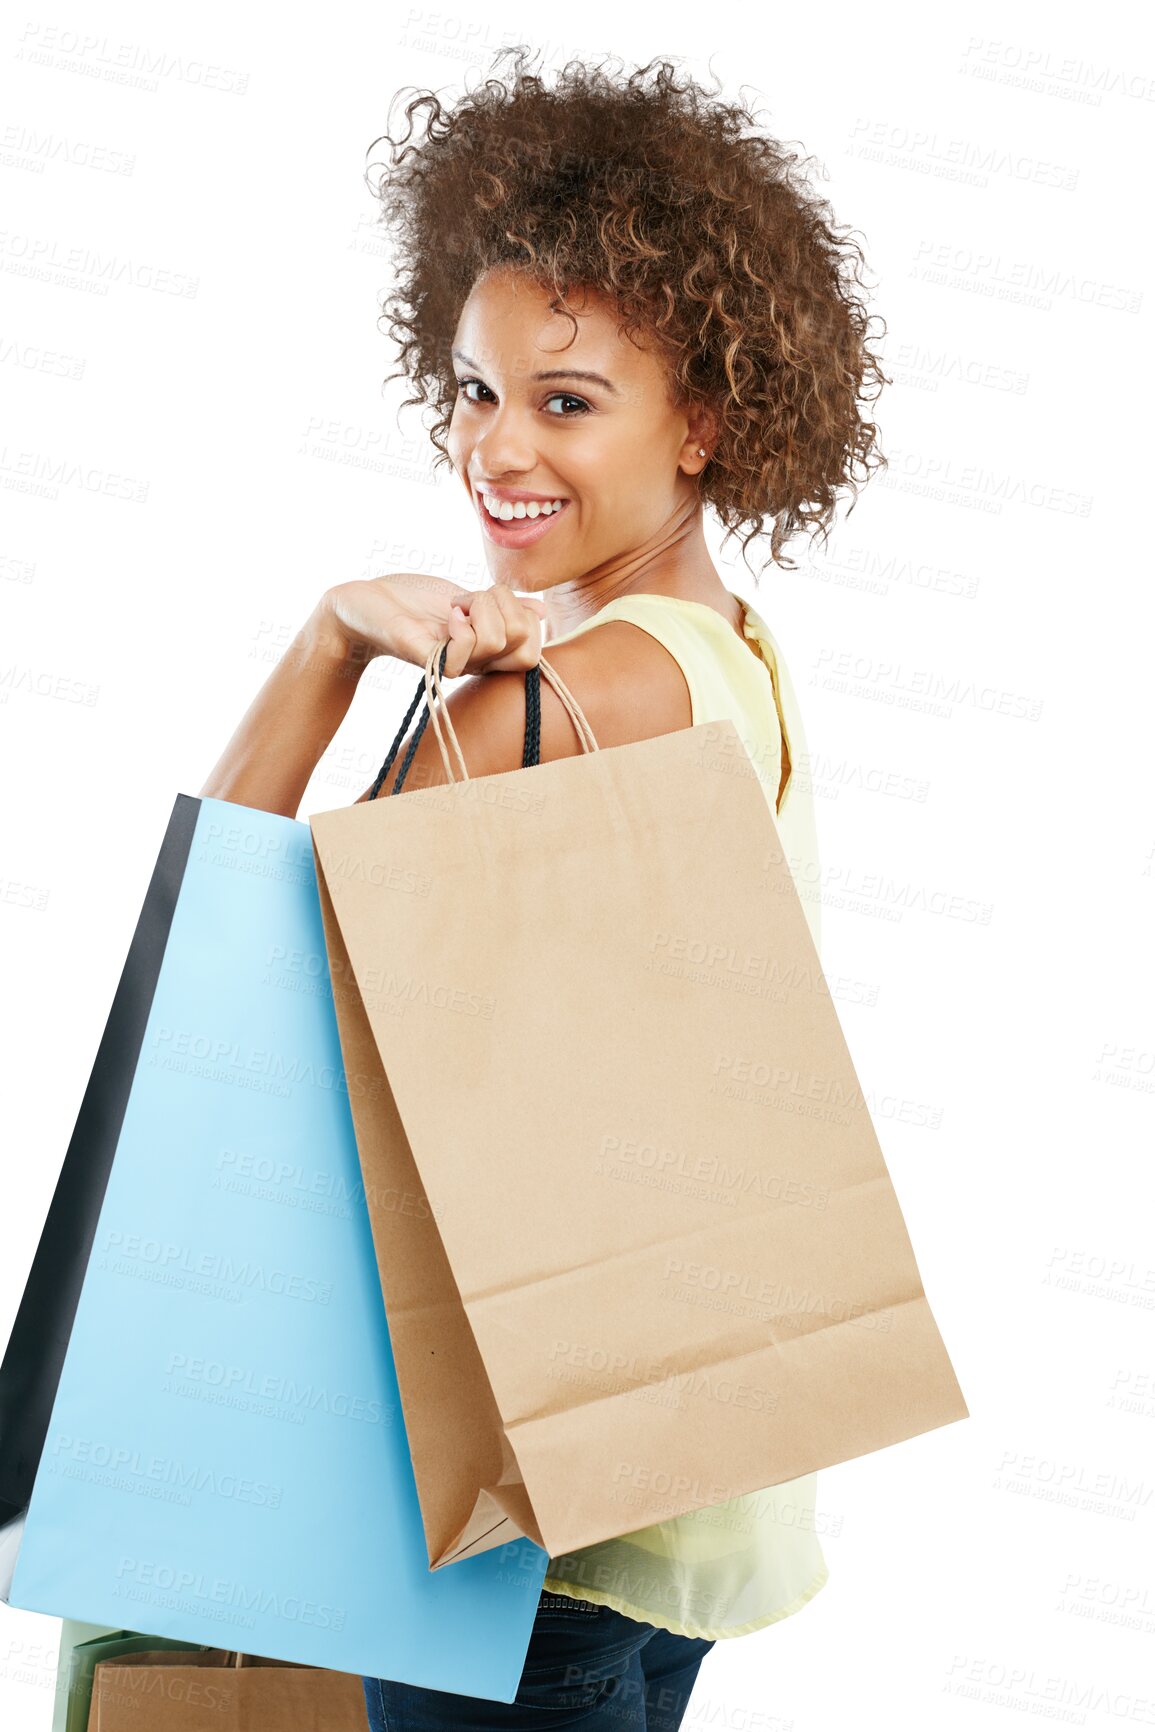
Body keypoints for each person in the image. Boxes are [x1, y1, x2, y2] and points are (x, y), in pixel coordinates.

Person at [201, 45, 887, 1731]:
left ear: (706, 418)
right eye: (474, 388)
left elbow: (228, 981)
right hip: (691, 1490)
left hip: (519, 1521)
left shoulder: (546, 700)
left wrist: (325, 645)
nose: (495, 448)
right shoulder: (734, 658)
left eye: (565, 400)